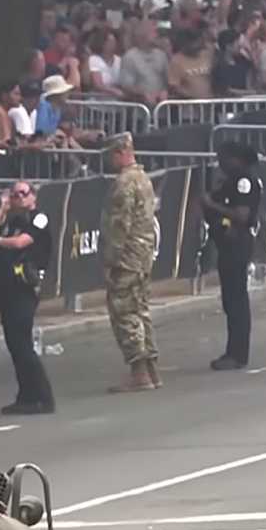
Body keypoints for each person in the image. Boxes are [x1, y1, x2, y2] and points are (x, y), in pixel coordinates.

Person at [0, 182, 55, 414]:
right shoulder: (11, 221)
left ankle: (43, 397)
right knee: (14, 346)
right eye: (14, 194)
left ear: (33, 196)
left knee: (23, 345)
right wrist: (2, 209)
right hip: (6, 290)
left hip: (24, 289)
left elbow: (22, 242)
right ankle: (26, 396)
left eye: (23, 193)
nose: (18, 197)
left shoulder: (38, 218)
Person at [102, 133, 160, 392]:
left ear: (118, 153)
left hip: (128, 255)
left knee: (125, 310)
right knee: (141, 308)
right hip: (143, 252)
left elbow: (119, 227)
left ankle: (139, 370)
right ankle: (151, 367)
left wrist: (111, 259)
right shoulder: (143, 178)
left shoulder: (124, 183)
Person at [202, 141, 262, 370]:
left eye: (223, 158)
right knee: (230, 299)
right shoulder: (231, 181)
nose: (220, 163)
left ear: (236, 159)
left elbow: (242, 214)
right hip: (228, 244)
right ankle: (233, 351)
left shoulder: (244, 180)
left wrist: (212, 205)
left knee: (236, 299)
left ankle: (237, 353)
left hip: (238, 243)